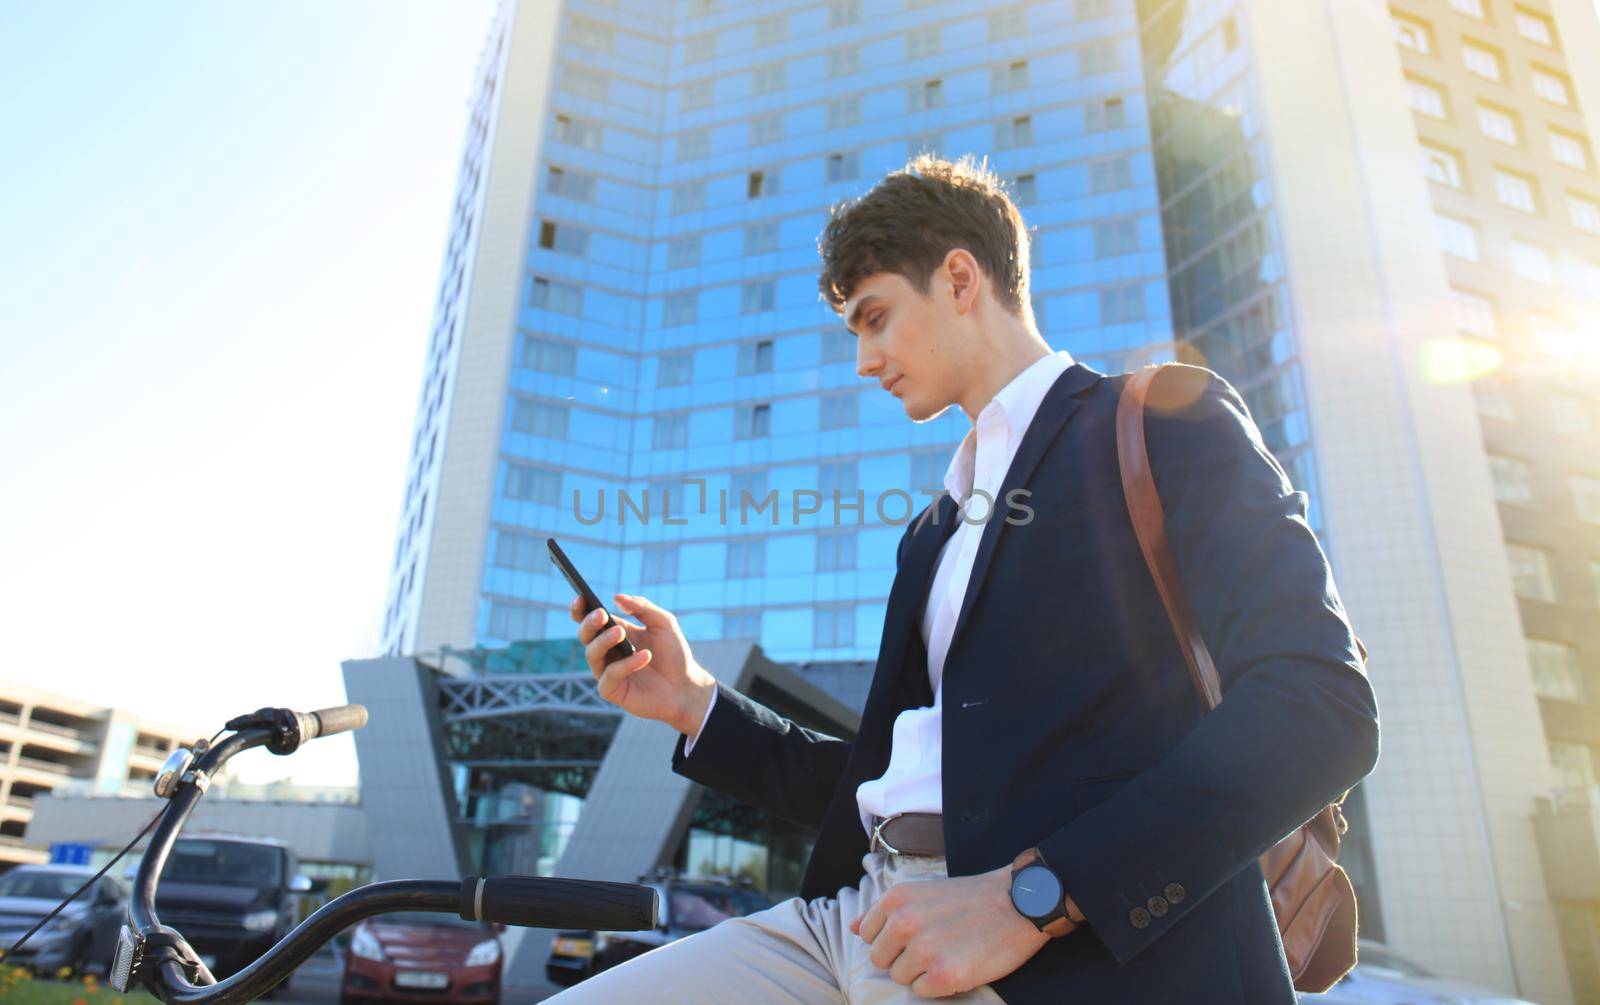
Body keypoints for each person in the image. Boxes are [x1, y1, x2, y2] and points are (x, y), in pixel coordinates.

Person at [550, 154, 1379, 1003]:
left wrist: (1036, 898)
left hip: (1056, 947)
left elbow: (1321, 706)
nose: (865, 361)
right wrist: (694, 702)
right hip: (861, 917)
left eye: (876, 319)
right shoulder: (933, 531)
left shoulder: (1164, 420)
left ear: (957, 277)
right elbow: (895, 782)